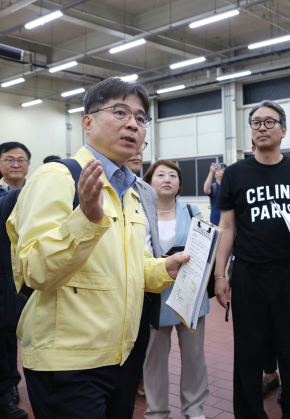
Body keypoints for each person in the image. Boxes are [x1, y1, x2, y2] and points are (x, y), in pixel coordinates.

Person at [6, 77, 188, 418]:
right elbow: (36, 271)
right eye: (120, 112)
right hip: (67, 362)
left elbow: (129, 268)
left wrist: (163, 268)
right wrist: (87, 221)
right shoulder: (56, 178)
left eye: (140, 117)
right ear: (87, 122)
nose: (133, 123)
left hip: (121, 356)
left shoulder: (133, 193)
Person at [213, 100, 290, 419]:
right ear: (250, 132)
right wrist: (221, 275)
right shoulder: (234, 173)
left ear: (284, 130)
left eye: (269, 122)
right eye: (256, 122)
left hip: (288, 272)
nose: (262, 127)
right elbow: (227, 226)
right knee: (247, 352)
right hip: (248, 274)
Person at [142, 160, 209, 419]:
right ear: (148, 182)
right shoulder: (140, 212)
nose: (167, 178)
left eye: (173, 175)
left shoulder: (192, 211)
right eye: (160, 174)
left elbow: (206, 247)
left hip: (189, 294)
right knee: (154, 357)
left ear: (179, 184)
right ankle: (157, 410)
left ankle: (194, 408)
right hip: (153, 294)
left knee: (194, 356)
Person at [109, 147, 162, 418]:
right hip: (114, 287)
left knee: (138, 349)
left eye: (141, 149)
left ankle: (134, 383)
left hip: (146, 281)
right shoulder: (102, 184)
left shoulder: (146, 191)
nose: (137, 152)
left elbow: (151, 236)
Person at [0, 142, 31, 419]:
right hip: (2, 273)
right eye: (9, 159)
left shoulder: (38, 195)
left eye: (21, 160)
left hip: (30, 274)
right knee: (4, 338)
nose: (16, 164)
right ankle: (6, 392)